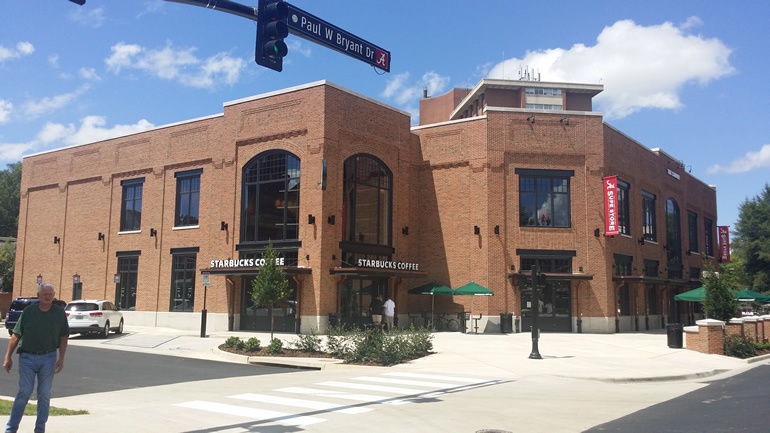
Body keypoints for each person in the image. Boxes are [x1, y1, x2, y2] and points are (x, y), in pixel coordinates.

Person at [4, 283, 69, 433]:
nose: (48, 297)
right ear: (38, 296)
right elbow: (16, 335)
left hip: (49, 357)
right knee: (24, 391)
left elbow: (64, 336)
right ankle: (11, 429)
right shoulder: (29, 312)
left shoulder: (59, 313)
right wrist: (8, 357)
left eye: (50, 294)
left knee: (44, 394)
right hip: (27, 357)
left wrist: (61, 358)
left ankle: (40, 429)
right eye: (45, 294)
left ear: (54, 296)